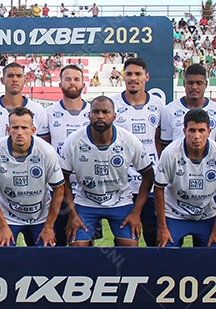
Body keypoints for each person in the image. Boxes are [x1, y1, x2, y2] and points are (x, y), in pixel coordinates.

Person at [61, 96, 155, 247]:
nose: (100, 116)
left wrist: (136, 213)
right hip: (86, 201)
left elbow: (149, 175)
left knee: (130, 247)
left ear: (114, 116)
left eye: (105, 112)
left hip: (120, 201)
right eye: (95, 111)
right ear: (88, 115)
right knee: (77, 248)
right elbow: (63, 178)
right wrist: (72, 214)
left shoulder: (129, 140)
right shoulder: (73, 141)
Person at [0, 107, 65, 247]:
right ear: (8, 130)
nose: (20, 132)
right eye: (15, 127)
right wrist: (2, 225)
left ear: (33, 130)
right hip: (8, 216)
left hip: (40, 216)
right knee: (4, 256)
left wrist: (49, 227)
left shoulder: (46, 151)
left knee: (45, 258)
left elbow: (59, 189)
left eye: (24, 128)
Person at [153, 108, 216, 248]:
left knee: (214, 255)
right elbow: (158, 188)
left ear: (209, 132)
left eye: (201, 130)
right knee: (165, 253)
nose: (196, 136)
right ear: (184, 131)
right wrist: (162, 228)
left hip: (205, 215)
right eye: (192, 130)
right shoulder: (170, 153)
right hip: (174, 214)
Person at [111, 57, 164, 246]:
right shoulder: (113, 105)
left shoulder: (157, 104)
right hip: (122, 184)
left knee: (153, 235)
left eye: (138, 74)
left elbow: (159, 140)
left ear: (146, 77)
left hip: (149, 182)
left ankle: (154, 274)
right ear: (123, 77)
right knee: (126, 241)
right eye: (129, 74)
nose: (133, 78)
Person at [46, 64, 93, 246]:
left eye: (76, 79)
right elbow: (45, 149)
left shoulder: (94, 112)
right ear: (60, 84)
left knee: (82, 243)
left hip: (86, 190)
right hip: (56, 188)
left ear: (83, 84)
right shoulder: (49, 113)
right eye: (67, 79)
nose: (72, 83)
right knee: (55, 241)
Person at [0, 63, 50, 159]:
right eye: (10, 76)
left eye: (19, 76)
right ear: (2, 80)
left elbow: (45, 145)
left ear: (25, 80)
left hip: (28, 168)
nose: (15, 79)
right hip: (0, 169)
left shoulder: (38, 109)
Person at [157, 63, 216, 152]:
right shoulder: (169, 110)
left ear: (206, 84)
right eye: (190, 83)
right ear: (184, 83)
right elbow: (166, 145)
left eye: (199, 83)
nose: (194, 87)